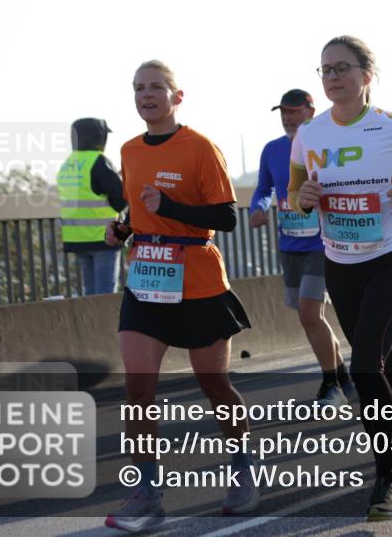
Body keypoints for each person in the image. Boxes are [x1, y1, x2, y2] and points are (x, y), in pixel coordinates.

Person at [288, 36, 392, 520]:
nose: (333, 77)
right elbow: (295, 193)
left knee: (362, 368)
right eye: (325, 70)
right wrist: (306, 198)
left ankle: (387, 480)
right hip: (342, 263)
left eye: (342, 67)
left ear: (366, 75)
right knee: (384, 367)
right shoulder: (310, 135)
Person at [105, 60, 257, 532]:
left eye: (155, 88)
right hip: (147, 277)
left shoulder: (199, 147)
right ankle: (146, 493)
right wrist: (123, 228)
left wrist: (167, 206)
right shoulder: (129, 150)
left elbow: (226, 218)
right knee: (138, 387)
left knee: (214, 386)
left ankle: (243, 469)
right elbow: (139, 212)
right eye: (138, 89)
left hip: (198, 280)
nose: (145, 96)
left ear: (176, 96)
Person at [249, 89, 354, 407]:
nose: (287, 117)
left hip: (322, 243)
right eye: (283, 111)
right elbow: (264, 187)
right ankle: (343, 378)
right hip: (290, 244)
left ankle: (330, 384)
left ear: (311, 111)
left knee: (310, 313)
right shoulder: (272, 149)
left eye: (294, 111)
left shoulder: (326, 145)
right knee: (309, 317)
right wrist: (258, 207)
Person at [56, 118, 126, 295]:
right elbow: (120, 200)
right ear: (100, 138)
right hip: (103, 236)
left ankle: (93, 324)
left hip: (77, 239)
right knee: (105, 294)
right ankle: (104, 324)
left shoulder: (67, 164)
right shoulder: (98, 162)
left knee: (90, 293)